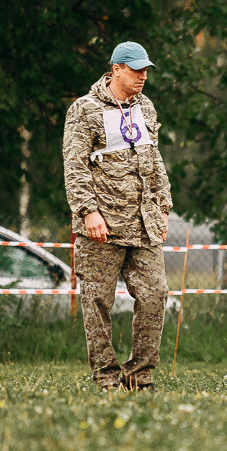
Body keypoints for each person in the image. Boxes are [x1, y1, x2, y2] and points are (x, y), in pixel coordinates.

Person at [63, 41, 172, 392]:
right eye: (136, 69)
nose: (142, 76)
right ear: (116, 69)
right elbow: (74, 165)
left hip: (144, 223)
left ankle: (139, 375)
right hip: (102, 226)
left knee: (156, 295)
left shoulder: (146, 107)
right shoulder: (85, 109)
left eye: (145, 70)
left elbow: (154, 159)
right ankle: (106, 377)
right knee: (97, 303)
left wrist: (163, 205)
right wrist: (88, 211)